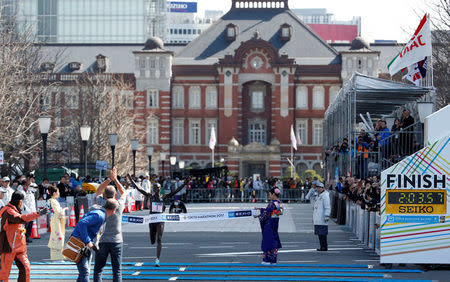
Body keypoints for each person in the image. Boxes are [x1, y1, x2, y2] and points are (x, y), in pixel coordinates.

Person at [129, 174, 188, 266]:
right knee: (152, 240)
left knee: (159, 239)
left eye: (158, 188)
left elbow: (176, 191)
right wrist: (131, 181)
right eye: (155, 188)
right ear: (153, 189)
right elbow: (139, 189)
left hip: (160, 219)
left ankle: (157, 260)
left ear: (160, 189)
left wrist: (184, 184)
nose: (156, 189)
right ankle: (153, 238)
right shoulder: (150, 196)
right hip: (152, 219)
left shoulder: (163, 197)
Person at [0, 191, 48, 282]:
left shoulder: (13, 210)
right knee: (3, 274)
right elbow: (21, 219)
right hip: (8, 247)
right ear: (20, 202)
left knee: (26, 269)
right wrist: (39, 213)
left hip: (19, 249)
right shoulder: (8, 211)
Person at [71, 198, 119, 282]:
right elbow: (82, 223)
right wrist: (88, 241)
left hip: (85, 245)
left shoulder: (102, 215)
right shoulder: (99, 215)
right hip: (80, 243)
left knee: (83, 272)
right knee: (85, 272)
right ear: (114, 210)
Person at [93, 166, 127, 282]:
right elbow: (124, 192)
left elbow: (98, 191)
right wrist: (115, 179)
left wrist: (108, 179)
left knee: (98, 270)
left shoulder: (101, 202)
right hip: (117, 240)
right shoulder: (119, 205)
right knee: (117, 271)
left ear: (105, 195)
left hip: (102, 240)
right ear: (114, 195)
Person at [254, 188, 282, 265]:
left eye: (270, 194)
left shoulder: (272, 203)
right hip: (275, 223)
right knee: (274, 240)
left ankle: (267, 260)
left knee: (267, 241)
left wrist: (258, 216)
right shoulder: (278, 203)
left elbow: (266, 213)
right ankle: (273, 260)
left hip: (269, 224)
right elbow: (275, 212)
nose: (269, 196)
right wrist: (260, 209)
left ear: (273, 194)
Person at [47, 186, 68, 261]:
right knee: (58, 237)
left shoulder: (51, 201)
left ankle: (57, 257)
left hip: (55, 220)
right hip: (56, 220)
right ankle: (57, 257)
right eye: (57, 192)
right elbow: (58, 212)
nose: (58, 193)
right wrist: (64, 210)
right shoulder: (53, 201)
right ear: (54, 193)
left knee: (56, 236)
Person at [313, 182, 331, 251]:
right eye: (317, 187)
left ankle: (324, 246)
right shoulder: (318, 195)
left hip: (322, 217)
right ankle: (322, 246)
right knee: (319, 233)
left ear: (322, 188)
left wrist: (327, 215)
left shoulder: (325, 196)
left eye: (319, 188)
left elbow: (327, 206)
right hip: (318, 217)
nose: (318, 189)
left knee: (323, 233)